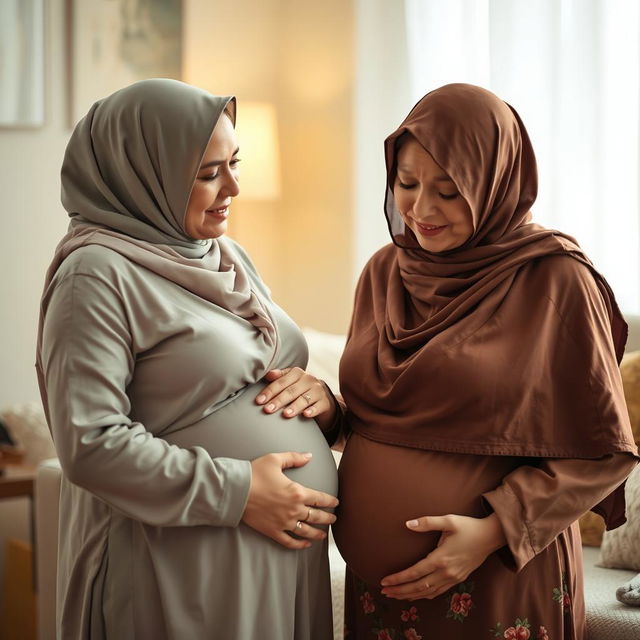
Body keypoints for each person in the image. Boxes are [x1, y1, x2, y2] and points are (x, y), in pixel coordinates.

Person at [35, 78, 341, 639]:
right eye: (207, 174)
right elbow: (90, 443)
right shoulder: (96, 275)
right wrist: (240, 493)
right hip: (174, 558)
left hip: (277, 555)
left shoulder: (224, 255)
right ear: (142, 175)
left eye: (234, 163)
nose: (233, 187)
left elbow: (262, 366)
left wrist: (323, 403)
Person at [331, 83, 639, 639]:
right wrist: (322, 408)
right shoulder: (385, 270)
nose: (421, 209)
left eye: (449, 191)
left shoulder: (556, 279)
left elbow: (603, 449)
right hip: (380, 596)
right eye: (406, 184)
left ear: (495, 183)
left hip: (498, 575)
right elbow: (372, 412)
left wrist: (494, 531)